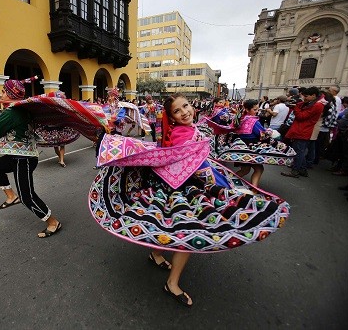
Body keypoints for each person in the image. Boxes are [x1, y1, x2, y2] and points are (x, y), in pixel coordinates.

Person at [89, 93, 290, 307]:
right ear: (172, 117)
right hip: (182, 191)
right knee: (187, 234)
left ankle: (156, 255)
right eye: (177, 110)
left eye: (185, 106)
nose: (184, 112)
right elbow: (198, 166)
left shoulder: (193, 128)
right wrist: (224, 188)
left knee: (173, 230)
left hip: (187, 186)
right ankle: (172, 283)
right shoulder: (181, 135)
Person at [0, 79, 62, 238]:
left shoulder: (13, 112)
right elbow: (5, 124)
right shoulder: (19, 109)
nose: (1, 94)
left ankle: (53, 222)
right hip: (17, 156)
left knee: (27, 196)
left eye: (3, 91)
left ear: (9, 94)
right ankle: (11, 196)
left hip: (24, 159)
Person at [281, 87, 325, 178]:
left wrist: (296, 107)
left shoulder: (317, 105)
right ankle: (303, 170)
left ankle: (295, 171)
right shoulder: (311, 103)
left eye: (306, 96)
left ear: (313, 95)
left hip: (303, 130)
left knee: (298, 152)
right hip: (301, 130)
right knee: (299, 151)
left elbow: (301, 116)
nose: (304, 98)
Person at [233, 99, 265, 186]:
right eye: (255, 110)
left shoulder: (241, 119)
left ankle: (229, 182)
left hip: (242, 147)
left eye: (257, 109)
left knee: (245, 169)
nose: (257, 111)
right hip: (251, 148)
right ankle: (254, 189)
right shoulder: (253, 121)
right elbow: (262, 134)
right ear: (247, 109)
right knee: (259, 169)